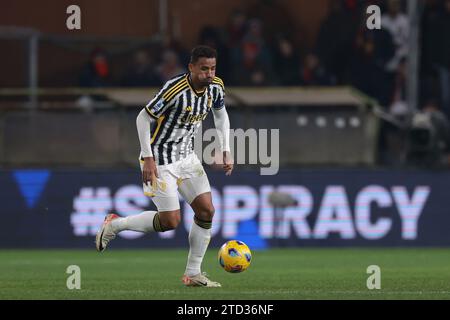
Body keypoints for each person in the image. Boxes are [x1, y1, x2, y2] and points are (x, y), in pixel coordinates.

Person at [95, 45, 233, 288]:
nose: (209, 74)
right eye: (203, 69)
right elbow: (143, 117)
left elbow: (220, 115)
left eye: (212, 68)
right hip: (159, 160)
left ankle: (193, 273)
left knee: (206, 211)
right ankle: (114, 224)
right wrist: (147, 158)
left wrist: (225, 149)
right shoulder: (174, 89)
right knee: (170, 221)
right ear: (191, 68)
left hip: (187, 158)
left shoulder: (216, 87)